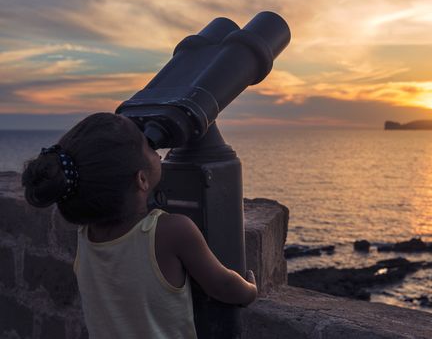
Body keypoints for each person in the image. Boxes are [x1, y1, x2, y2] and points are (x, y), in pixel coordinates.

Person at [21, 112, 257, 339]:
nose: (156, 151)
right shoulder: (172, 231)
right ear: (142, 179)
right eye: (149, 146)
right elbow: (222, 285)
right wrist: (249, 290)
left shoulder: (86, 234)